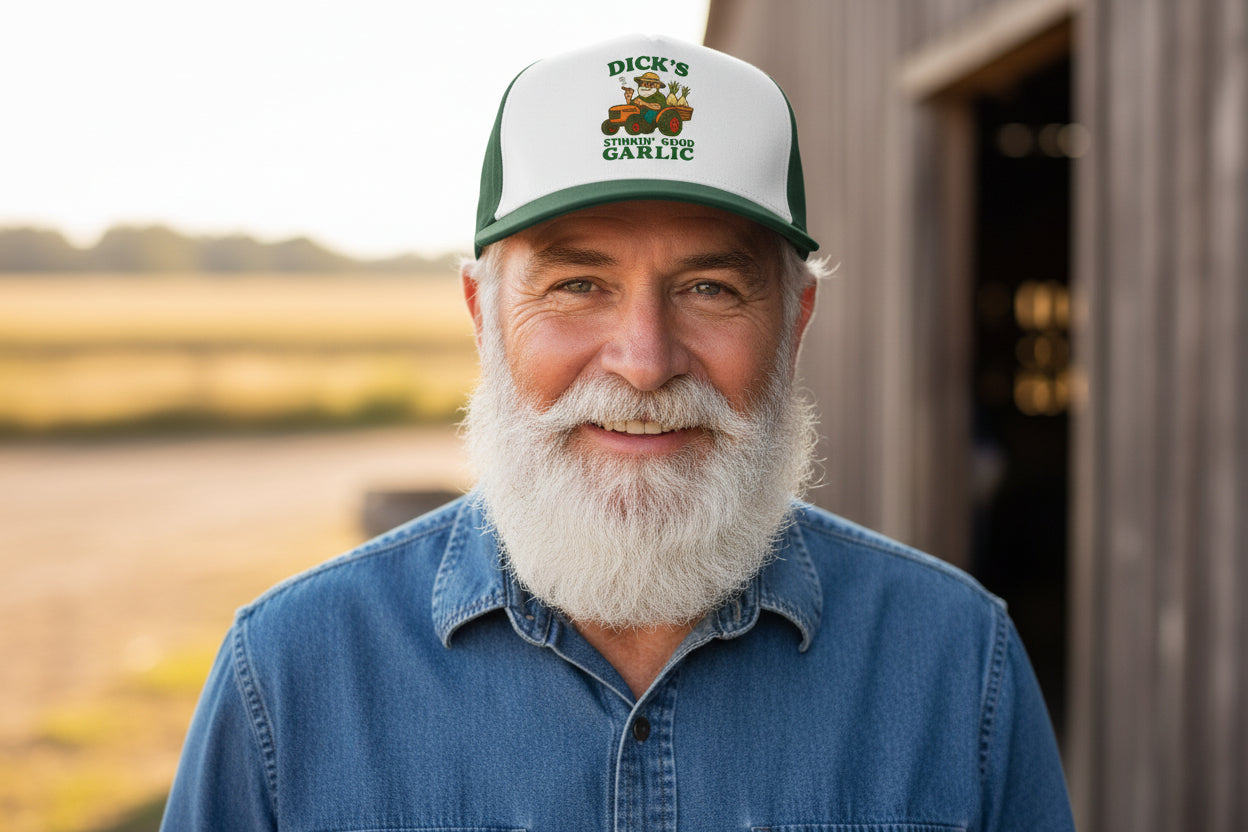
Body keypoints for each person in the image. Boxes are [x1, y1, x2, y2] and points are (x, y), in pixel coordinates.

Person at [161, 34, 1074, 831]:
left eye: (711, 288)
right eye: (576, 285)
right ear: (483, 316)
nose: (644, 361)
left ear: (795, 325)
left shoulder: (958, 662)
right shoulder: (288, 674)